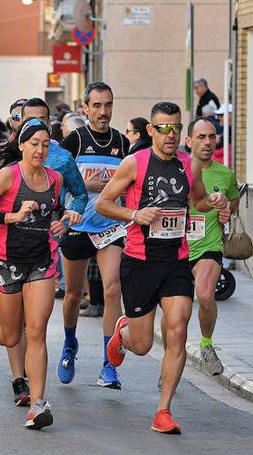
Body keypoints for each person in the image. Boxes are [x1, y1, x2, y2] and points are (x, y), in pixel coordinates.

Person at [97, 101, 227, 434]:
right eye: (163, 128)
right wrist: (133, 214)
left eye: (176, 128)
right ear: (152, 130)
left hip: (175, 260)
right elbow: (103, 203)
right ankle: (122, 335)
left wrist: (213, 202)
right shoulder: (134, 163)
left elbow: (196, 201)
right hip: (140, 262)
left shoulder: (188, 165)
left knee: (178, 331)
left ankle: (163, 410)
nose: (170, 134)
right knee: (141, 345)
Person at [0, 119, 81, 430]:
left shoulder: (56, 180)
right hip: (6, 263)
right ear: (21, 145)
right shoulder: (8, 175)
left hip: (42, 263)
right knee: (12, 334)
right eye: (34, 144)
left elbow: (55, 216)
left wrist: (64, 221)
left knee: (36, 331)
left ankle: (38, 403)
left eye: (45, 144)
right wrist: (12, 216)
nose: (40, 150)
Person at [57, 82, 131, 390]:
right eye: (97, 106)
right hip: (78, 225)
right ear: (85, 109)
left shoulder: (123, 143)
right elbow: (57, 180)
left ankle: (108, 363)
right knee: (74, 294)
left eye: (108, 105)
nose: (103, 112)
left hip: (110, 227)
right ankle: (69, 343)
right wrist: (83, 187)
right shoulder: (73, 141)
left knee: (113, 289)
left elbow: (131, 182)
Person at [184, 117, 239, 376]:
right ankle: (171, 361)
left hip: (209, 245)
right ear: (189, 141)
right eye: (201, 137)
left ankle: (206, 344)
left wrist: (226, 210)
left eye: (211, 137)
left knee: (205, 295)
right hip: (178, 248)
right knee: (176, 315)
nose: (207, 142)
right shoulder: (177, 169)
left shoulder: (225, 174)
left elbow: (234, 201)